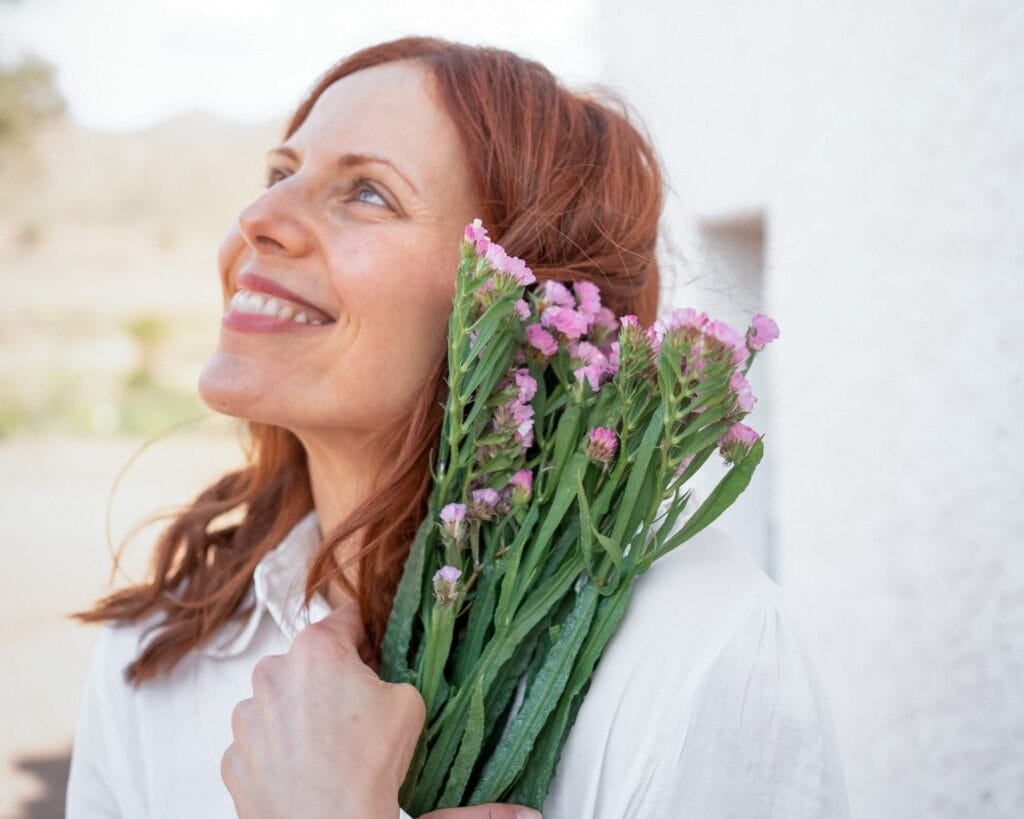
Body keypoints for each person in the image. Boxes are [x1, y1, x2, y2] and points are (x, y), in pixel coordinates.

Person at [65, 36, 852, 818]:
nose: (257, 217)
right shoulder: (161, 653)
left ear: (526, 304)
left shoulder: (699, 649)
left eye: (368, 192)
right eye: (279, 174)